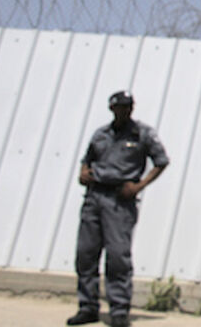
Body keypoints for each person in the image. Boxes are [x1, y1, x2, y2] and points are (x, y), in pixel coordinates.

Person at [67, 90, 170, 327]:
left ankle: (119, 309)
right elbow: (88, 158)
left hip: (120, 200)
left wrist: (139, 186)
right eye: (119, 107)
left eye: (127, 106)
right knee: (86, 253)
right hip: (94, 196)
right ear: (112, 109)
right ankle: (88, 306)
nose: (124, 110)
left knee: (117, 257)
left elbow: (161, 162)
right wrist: (83, 171)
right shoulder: (101, 134)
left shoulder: (142, 133)